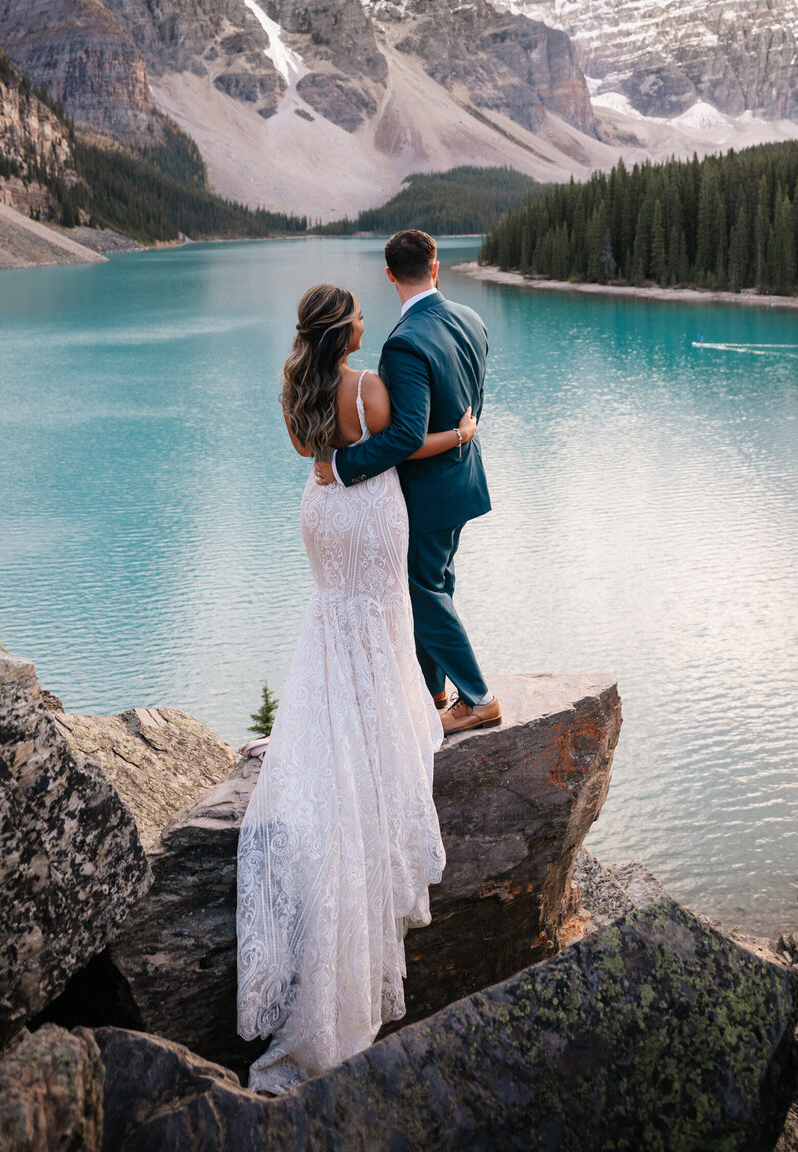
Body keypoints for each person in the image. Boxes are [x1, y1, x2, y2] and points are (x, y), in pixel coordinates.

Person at [235, 282, 475, 1092]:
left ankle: (335, 717)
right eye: (361, 318)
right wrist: (459, 432)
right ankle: (378, 727)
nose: (370, 322)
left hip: (319, 512)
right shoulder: (367, 386)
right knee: (381, 616)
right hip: (370, 511)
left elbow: (316, 458)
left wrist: (338, 461)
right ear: (349, 330)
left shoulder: (294, 386)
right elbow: (403, 444)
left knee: (335, 616)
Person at [317, 229, 499, 736]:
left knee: (422, 590)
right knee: (436, 584)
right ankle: (433, 692)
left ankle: (479, 698)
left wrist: (342, 466)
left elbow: (403, 436)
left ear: (390, 274)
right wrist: (462, 439)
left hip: (426, 492)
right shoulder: (472, 319)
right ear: (436, 268)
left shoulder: (403, 343)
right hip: (464, 481)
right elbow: (473, 403)